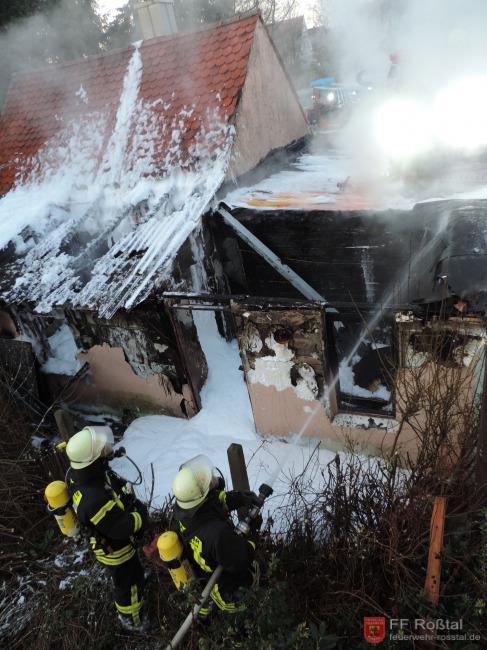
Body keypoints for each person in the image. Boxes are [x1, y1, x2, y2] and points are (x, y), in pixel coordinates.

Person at [65, 426, 150, 632]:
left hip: (113, 539)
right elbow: (121, 527)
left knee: (133, 572)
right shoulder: (93, 500)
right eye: (99, 453)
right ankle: (132, 619)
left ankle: (138, 580)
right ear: (91, 462)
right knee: (127, 584)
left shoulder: (80, 476)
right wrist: (140, 516)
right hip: (117, 550)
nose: (104, 453)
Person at [171, 454, 260, 617]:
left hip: (209, 571)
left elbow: (210, 504)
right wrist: (253, 533)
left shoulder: (183, 512)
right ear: (201, 496)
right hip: (231, 592)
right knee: (243, 620)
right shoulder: (217, 534)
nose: (214, 481)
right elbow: (241, 558)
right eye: (208, 482)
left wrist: (235, 498)